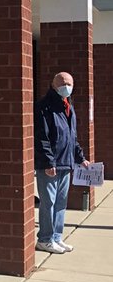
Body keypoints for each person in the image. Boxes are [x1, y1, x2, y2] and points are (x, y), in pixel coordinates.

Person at [35, 71, 89, 254]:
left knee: (60, 203)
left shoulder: (68, 106)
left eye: (70, 83)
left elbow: (71, 136)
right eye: (63, 82)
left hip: (66, 163)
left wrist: (80, 158)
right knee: (48, 202)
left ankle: (56, 237)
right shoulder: (44, 107)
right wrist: (49, 163)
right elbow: (42, 138)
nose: (67, 86)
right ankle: (44, 239)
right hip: (50, 165)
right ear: (54, 84)